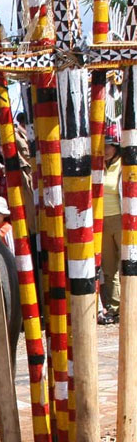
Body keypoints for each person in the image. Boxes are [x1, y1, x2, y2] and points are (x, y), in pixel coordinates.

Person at [100, 129, 123, 325]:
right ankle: (115, 308)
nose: (105, 150)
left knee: (128, 265)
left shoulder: (126, 166)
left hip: (122, 220)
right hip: (102, 221)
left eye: (108, 146)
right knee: (109, 267)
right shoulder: (98, 167)